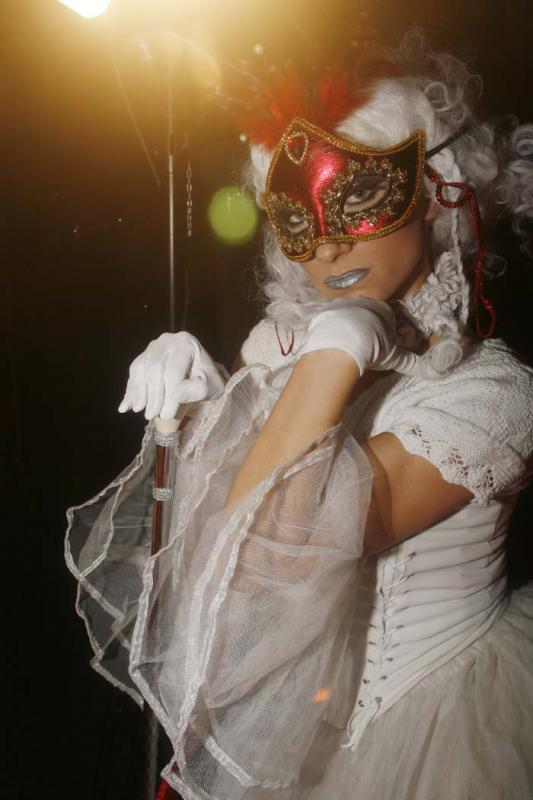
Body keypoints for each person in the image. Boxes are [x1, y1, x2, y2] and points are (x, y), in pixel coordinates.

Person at [66, 35, 533, 800]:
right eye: (296, 220)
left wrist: (336, 346)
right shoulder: (287, 357)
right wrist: (205, 413)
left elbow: (272, 560)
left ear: (434, 191)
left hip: (432, 735)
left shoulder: (494, 395)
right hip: (300, 731)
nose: (328, 245)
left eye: (360, 198)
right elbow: (208, 573)